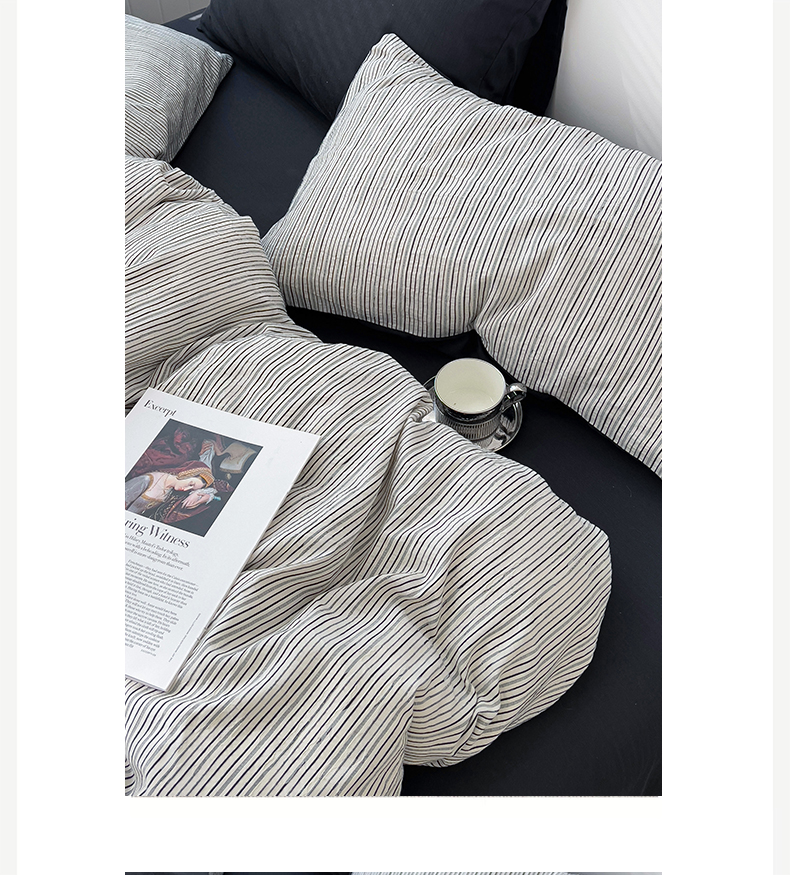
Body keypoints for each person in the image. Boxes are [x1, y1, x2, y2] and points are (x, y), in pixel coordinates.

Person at [125, 464, 214, 516]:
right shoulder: (147, 480)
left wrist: (200, 494)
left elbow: (214, 492)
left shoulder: (173, 492)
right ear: (186, 474)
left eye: (191, 489)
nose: (186, 489)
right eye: (190, 484)